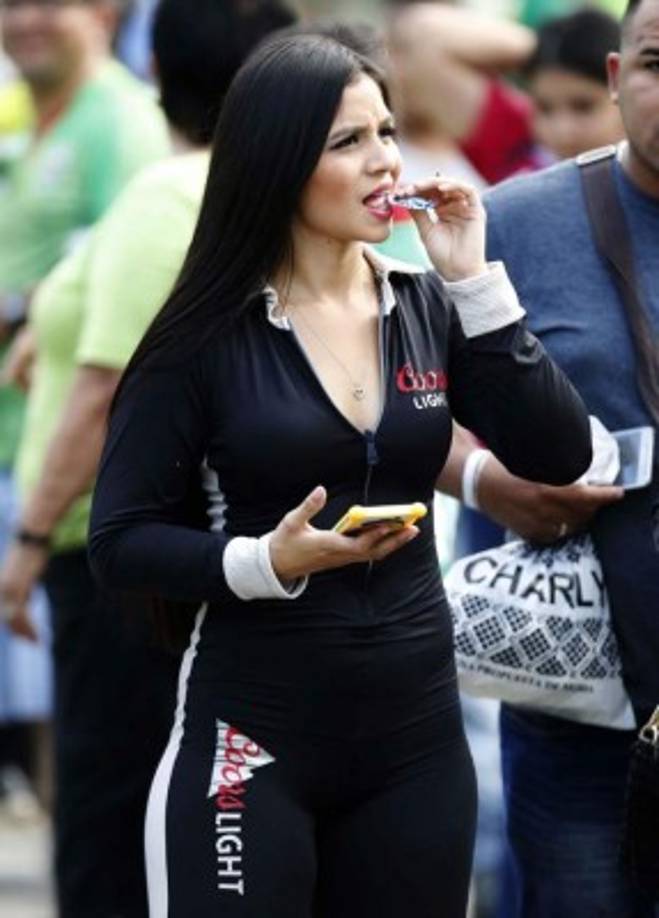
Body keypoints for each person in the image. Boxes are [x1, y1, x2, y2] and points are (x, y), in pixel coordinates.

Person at [88, 33, 591, 917]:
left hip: (415, 747)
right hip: (249, 740)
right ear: (278, 163)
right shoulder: (202, 338)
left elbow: (558, 454)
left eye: (386, 132)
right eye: (346, 142)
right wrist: (264, 562)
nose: (384, 161)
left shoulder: (427, 304)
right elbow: (120, 541)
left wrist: (475, 284)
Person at [0, 0, 295, 914]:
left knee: (110, 807)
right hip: (181, 540)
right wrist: (52, 314)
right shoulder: (208, 185)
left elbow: (108, 384)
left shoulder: (160, 180)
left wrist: (31, 538)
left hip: (118, 541)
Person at [438, 0, 659, 913]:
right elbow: (385, 407)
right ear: (616, 80)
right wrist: (485, 479)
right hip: (577, 708)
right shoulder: (514, 223)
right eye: (656, 61)